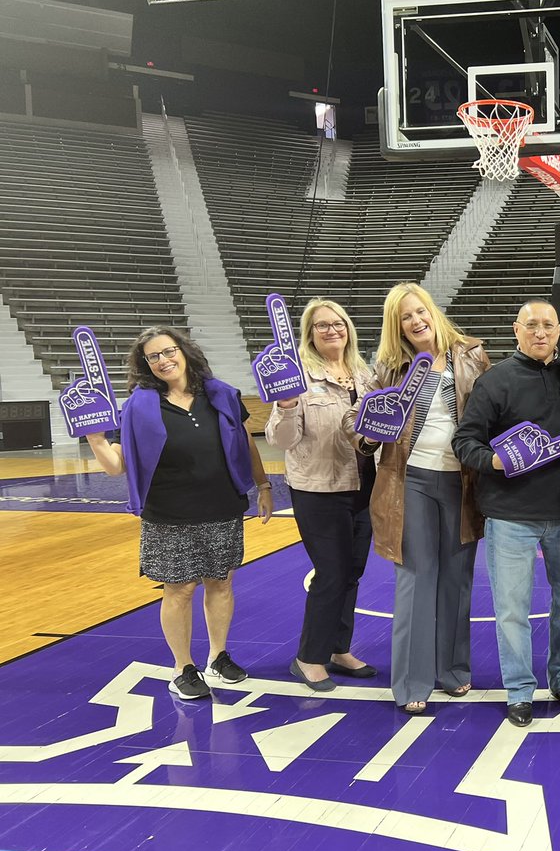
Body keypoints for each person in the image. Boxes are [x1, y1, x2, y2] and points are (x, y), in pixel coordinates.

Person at [86, 326, 273, 700]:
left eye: (167, 351)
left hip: (221, 505)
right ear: (144, 365)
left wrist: (263, 485)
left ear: (184, 352)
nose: (162, 361)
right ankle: (182, 667)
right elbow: (116, 465)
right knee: (180, 590)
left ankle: (218, 657)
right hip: (169, 512)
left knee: (221, 582)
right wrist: (95, 436)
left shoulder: (220, 394)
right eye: (152, 357)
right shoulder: (139, 406)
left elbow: (245, 443)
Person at [345, 283, 489, 715]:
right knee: (415, 580)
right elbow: (356, 422)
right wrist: (370, 430)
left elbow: (496, 411)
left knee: (458, 581)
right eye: (405, 316)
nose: (416, 320)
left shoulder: (471, 355)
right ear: (397, 325)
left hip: (462, 482)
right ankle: (411, 681)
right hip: (409, 483)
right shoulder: (388, 368)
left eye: (420, 310)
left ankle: (453, 670)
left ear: (433, 311)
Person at [453, 299, 560, 727]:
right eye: (532, 325)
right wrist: (496, 460)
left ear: (559, 330)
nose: (540, 332)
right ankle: (519, 690)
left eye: (548, 324)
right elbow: (465, 441)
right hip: (510, 516)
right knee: (511, 609)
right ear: (516, 330)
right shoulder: (494, 381)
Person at [265, 298, 376, 692]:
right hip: (318, 489)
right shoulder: (297, 375)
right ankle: (309, 657)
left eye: (338, 324)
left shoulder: (365, 372)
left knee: (353, 572)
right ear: (309, 334)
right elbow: (281, 439)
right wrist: (287, 403)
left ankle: (337, 648)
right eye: (322, 325)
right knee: (332, 573)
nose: (332, 331)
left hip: (363, 486)